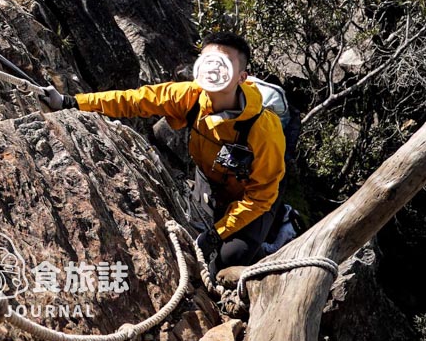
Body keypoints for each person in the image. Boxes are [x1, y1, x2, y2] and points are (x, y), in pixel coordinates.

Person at [41, 31, 285, 272]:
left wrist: (217, 233)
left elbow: (260, 196)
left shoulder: (263, 130)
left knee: (229, 258)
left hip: (255, 197)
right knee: (195, 242)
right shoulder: (190, 97)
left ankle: (277, 232)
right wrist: (71, 102)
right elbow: (134, 100)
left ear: (242, 77)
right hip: (211, 181)